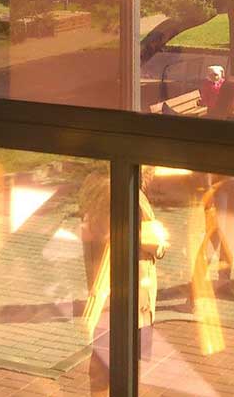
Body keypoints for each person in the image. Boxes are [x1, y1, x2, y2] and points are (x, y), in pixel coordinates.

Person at [79, 166, 168, 395]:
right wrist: (156, 238)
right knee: (110, 367)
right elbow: (149, 241)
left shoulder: (104, 189)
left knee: (112, 365)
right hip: (126, 294)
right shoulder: (124, 191)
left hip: (121, 293)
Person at [204, 77, 234, 299]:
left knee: (231, 235)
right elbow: (203, 158)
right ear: (228, 97)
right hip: (219, 186)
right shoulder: (213, 121)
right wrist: (208, 191)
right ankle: (196, 286)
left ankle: (223, 283)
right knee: (213, 237)